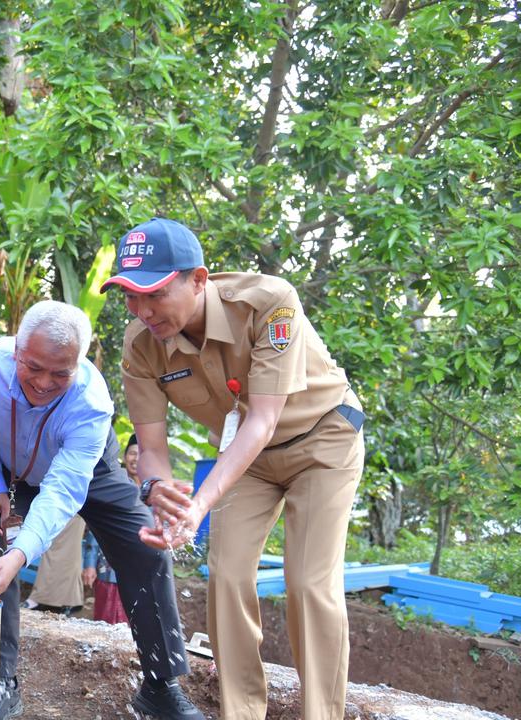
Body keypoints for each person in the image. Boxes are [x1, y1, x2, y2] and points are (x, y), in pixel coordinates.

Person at [104, 217, 365, 720]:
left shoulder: (268, 302)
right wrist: (159, 490)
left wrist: (200, 503)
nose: (141, 310)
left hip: (324, 440)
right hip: (248, 462)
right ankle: (241, 713)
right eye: (130, 297)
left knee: (309, 583)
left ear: (198, 280)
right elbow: (151, 447)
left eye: (154, 293)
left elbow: (263, 419)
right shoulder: (140, 345)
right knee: (225, 575)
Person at [0, 301, 203, 720]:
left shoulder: (90, 402)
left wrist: (23, 553)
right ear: (17, 348)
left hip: (88, 468)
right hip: (9, 468)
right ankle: (0, 682)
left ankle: (160, 686)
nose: (43, 383)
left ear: (80, 362)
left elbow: (63, 491)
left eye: (61, 373)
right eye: (33, 367)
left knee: (146, 548)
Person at [83, 433, 140, 623]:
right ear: (125, 456)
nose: (136, 459)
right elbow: (95, 528)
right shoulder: (111, 484)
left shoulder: (155, 491)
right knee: (104, 624)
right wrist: (89, 564)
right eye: (132, 453)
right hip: (108, 570)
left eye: (141, 454)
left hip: (139, 572)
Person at [22, 516, 86, 614]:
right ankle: (42, 598)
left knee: (69, 548)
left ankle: (68, 600)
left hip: (76, 509)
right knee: (50, 544)